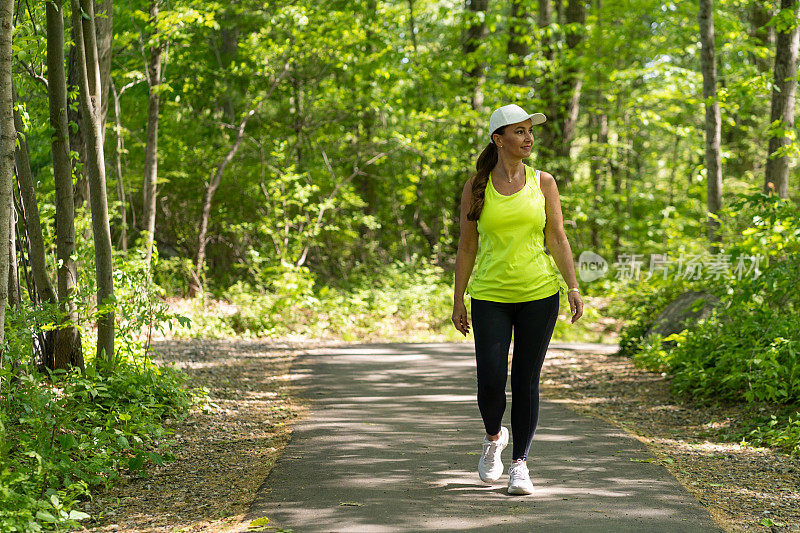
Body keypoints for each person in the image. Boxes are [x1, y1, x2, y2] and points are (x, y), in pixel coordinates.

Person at [451, 103, 584, 495]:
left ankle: (520, 465)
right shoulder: (476, 186)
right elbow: (467, 245)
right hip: (490, 294)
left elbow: (556, 237)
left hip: (539, 293)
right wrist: (458, 300)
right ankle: (494, 438)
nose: (528, 138)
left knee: (526, 380)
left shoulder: (543, 182)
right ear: (499, 139)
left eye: (530, 131)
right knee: (491, 381)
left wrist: (572, 285)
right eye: (520, 132)